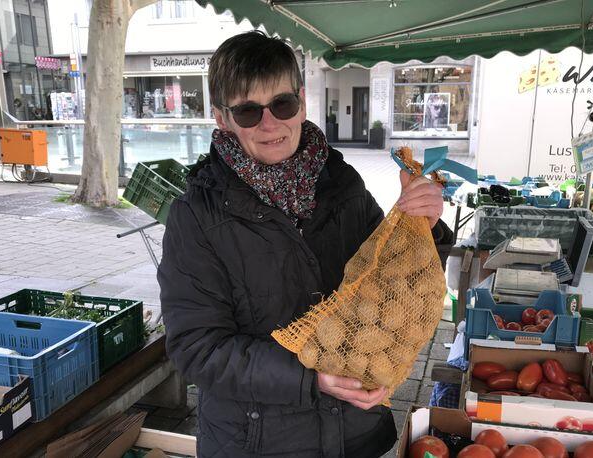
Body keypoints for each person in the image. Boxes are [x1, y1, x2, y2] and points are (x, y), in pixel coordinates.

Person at [158, 31, 453, 458]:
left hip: (355, 434)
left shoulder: (342, 183)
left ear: (301, 101)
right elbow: (197, 348)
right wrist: (311, 376)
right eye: (247, 111)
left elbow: (395, 288)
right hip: (258, 444)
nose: (270, 123)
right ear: (222, 118)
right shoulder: (197, 216)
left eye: (282, 104)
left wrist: (424, 226)